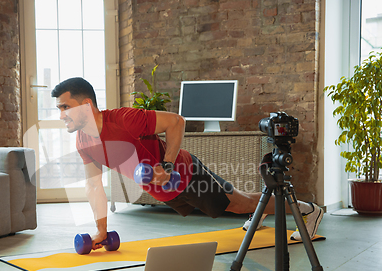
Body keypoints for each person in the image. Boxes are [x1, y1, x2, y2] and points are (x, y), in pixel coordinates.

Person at [51, 77, 323, 251]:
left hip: (186, 175)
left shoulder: (123, 120)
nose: (61, 114)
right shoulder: (83, 143)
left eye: (65, 107)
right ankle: (262, 210)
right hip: (164, 192)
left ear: (86, 104)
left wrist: (167, 166)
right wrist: (101, 229)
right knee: (238, 204)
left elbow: (176, 121)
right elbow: (93, 186)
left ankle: (308, 210)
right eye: (59, 109)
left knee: (241, 204)